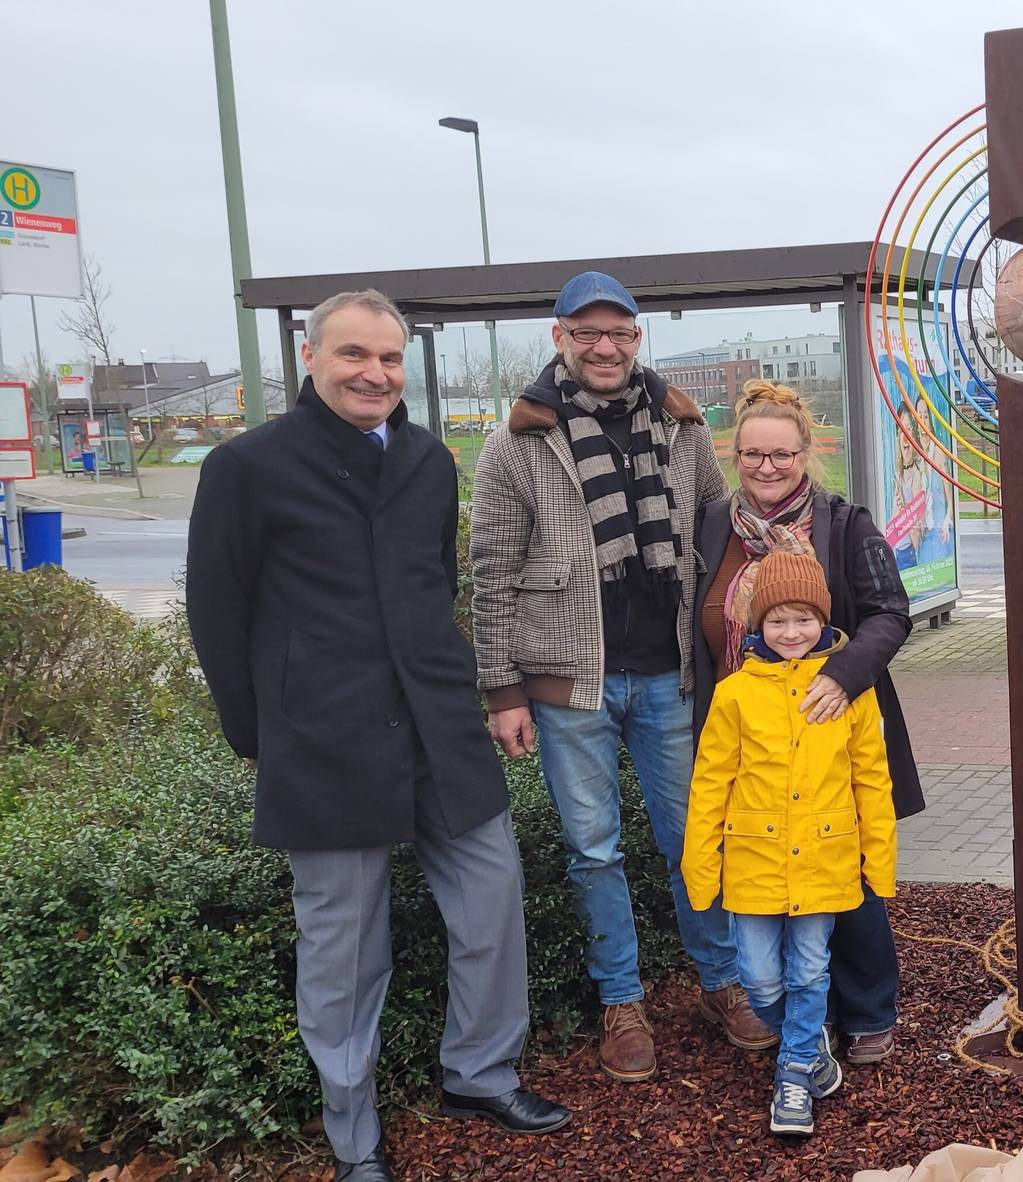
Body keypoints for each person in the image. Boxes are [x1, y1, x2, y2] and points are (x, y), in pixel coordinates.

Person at [187, 290, 568, 1182]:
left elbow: (434, 585)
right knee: (345, 948)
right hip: (322, 738)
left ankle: (478, 1071)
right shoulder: (247, 467)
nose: (375, 374)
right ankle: (354, 1135)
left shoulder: (431, 461)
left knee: (490, 898)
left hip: (438, 722)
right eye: (355, 355)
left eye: (390, 359)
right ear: (312, 358)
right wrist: (259, 735)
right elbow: (219, 607)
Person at [470, 271, 770, 1080]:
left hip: (668, 677)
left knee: (693, 839)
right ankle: (622, 1001)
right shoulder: (519, 443)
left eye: (622, 333)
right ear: (559, 336)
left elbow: (721, 532)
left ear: (639, 340)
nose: (606, 348)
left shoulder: (681, 429)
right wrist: (501, 691)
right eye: (588, 333)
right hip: (571, 685)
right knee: (594, 851)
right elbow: (491, 571)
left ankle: (722, 982)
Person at [692, 380, 924, 1066]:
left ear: (806, 453)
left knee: (843, 881)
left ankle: (868, 1009)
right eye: (753, 454)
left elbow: (891, 612)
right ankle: (806, 1020)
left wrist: (843, 675)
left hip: (830, 717)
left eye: (782, 454)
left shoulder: (844, 524)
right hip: (749, 731)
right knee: (769, 881)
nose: (767, 467)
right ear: (735, 453)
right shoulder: (711, 526)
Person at [685, 551, 899, 1136]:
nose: (791, 633)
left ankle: (796, 1074)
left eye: (804, 619)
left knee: (809, 971)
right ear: (757, 625)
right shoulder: (734, 695)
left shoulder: (848, 690)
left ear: (823, 620)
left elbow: (871, 780)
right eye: (777, 621)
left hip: (825, 862)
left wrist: (877, 862)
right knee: (758, 977)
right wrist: (701, 868)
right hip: (753, 865)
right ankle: (812, 1050)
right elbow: (709, 785)